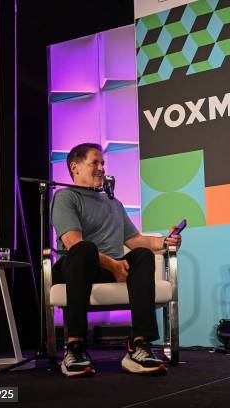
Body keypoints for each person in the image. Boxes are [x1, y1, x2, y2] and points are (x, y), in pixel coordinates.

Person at [51, 143, 182, 377]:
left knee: (142, 255)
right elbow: (73, 243)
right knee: (84, 249)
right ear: (75, 167)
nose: (102, 168)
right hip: (76, 267)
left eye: (103, 163)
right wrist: (113, 264)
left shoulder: (114, 203)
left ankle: (139, 346)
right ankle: (74, 346)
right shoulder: (65, 197)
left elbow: (136, 240)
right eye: (95, 162)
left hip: (111, 267)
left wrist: (165, 242)